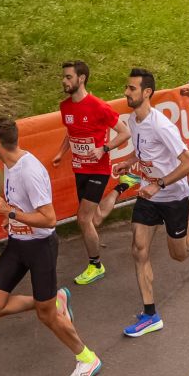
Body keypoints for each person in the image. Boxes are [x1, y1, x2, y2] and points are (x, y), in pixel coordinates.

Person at [0, 117, 103, 376]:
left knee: (47, 317)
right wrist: (8, 212)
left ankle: (87, 358)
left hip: (39, 247)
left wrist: (10, 212)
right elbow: (22, 206)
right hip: (17, 244)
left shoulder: (29, 170)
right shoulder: (9, 164)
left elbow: (49, 219)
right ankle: (52, 300)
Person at [111, 68, 189, 339]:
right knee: (139, 249)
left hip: (172, 196)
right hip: (148, 197)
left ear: (146, 92)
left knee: (180, 254)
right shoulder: (133, 120)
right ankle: (150, 314)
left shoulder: (161, 125)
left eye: (131, 89)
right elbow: (145, 151)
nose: (126, 92)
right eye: (127, 88)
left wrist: (159, 184)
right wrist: (130, 162)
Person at [51, 60, 130, 286]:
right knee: (93, 220)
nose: (64, 81)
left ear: (81, 78)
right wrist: (60, 153)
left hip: (98, 169)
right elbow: (72, 133)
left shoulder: (98, 106)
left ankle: (95, 265)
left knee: (83, 218)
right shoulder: (65, 106)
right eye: (64, 77)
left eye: (68, 77)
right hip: (79, 169)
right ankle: (121, 188)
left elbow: (124, 133)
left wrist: (104, 148)